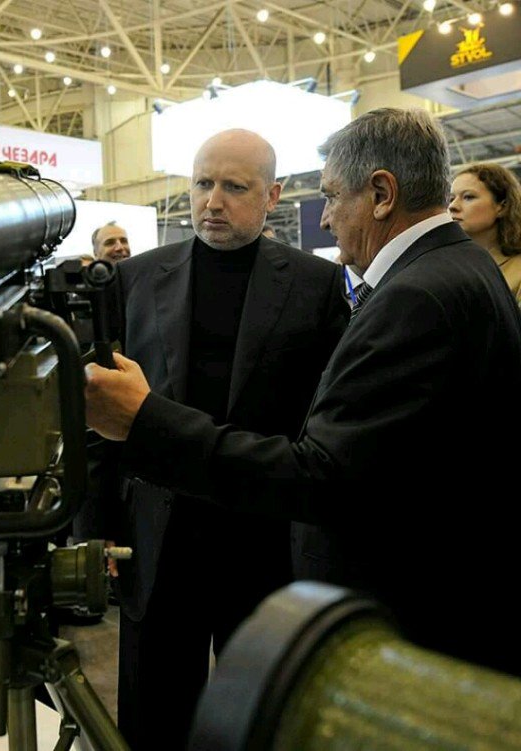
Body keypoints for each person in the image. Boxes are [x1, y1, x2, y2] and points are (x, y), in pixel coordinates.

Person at [85, 108, 521, 685]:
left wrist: (145, 420)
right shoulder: (460, 268)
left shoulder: (413, 295)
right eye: (202, 183)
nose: (325, 219)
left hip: (402, 609)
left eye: (332, 197)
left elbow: (324, 472)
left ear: (382, 195)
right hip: (173, 545)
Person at [91, 128, 349, 750]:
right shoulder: (137, 278)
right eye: (203, 183)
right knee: (154, 714)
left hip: (262, 536)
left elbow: (322, 420)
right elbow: (101, 412)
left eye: (234, 187)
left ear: (272, 196)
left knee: (260, 714)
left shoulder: (316, 285)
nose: (213, 201)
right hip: (158, 535)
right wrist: (94, 527)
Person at [449, 162, 521, 305]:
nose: (452, 206)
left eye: (468, 197)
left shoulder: (517, 271)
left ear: (502, 206)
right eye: (451, 199)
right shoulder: (449, 267)